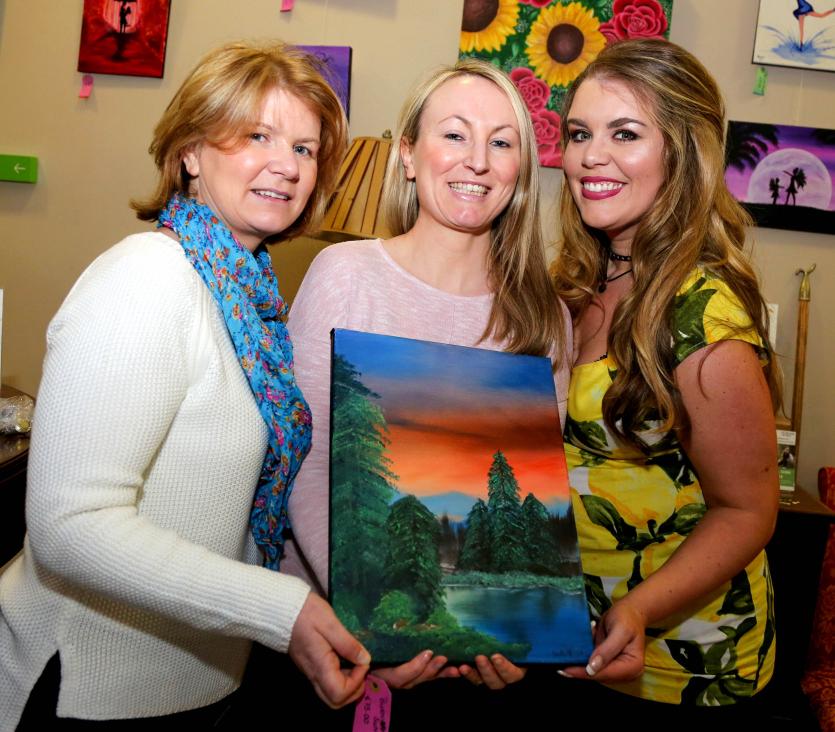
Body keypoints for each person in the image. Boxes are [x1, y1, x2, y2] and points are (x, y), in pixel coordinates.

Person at [0, 40, 370, 730]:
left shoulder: (249, 304)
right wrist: (277, 609)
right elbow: (68, 526)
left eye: (304, 148)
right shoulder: (149, 279)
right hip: (86, 690)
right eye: (256, 135)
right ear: (191, 151)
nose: (284, 165)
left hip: (195, 683)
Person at [282, 58, 572, 699]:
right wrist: (376, 624)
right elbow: (305, 462)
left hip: (476, 679)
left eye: (501, 143)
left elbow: (547, 487)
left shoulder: (544, 316)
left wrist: (515, 638)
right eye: (455, 134)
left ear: (519, 171)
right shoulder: (344, 274)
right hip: (336, 644)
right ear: (408, 154)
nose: (477, 161)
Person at [551, 38, 782, 723]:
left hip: (688, 669)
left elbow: (746, 512)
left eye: (624, 133)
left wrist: (640, 608)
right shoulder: (575, 279)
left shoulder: (701, 315)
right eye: (578, 133)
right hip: (579, 644)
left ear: (681, 153)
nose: (591, 156)